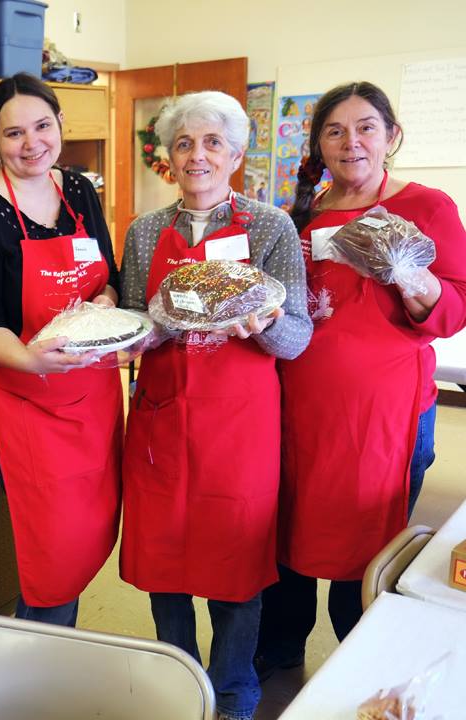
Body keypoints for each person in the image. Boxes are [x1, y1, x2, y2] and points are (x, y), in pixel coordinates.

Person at [257, 81, 466, 679]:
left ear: (391, 136)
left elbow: (456, 309)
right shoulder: (303, 215)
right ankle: (281, 646)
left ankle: (362, 656)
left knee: (368, 535)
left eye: (366, 128)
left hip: (384, 411)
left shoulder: (425, 207)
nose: (351, 142)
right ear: (319, 145)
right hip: (298, 405)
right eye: (335, 131)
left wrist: (409, 275)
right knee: (290, 524)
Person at [119, 91, 312, 720]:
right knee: (164, 567)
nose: (197, 155)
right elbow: (137, 323)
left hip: (239, 426)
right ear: (169, 158)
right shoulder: (146, 231)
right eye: (184, 143)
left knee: (236, 564)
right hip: (162, 419)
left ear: (235, 153)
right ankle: (177, 683)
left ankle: (232, 693)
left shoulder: (270, 227)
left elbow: (297, 337)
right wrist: (148, 330)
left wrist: (263, 323)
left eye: (212, 143)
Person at [0, 72, 122, 627]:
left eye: (42, 126)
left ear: (60, 124)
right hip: (18, 406)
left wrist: (103, 306)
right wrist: (33, 359)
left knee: (81, 541)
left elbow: (109, 277)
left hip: (89, 398)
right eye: (14, 133)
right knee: (54, 554)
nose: (32, 143)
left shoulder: (79, 190)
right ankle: (39, 665)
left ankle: (53, 654)